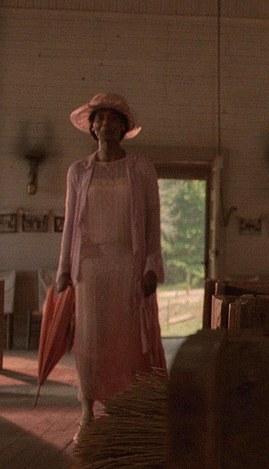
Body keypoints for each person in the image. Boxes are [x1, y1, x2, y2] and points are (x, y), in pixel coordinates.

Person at [55, 92, 166, 439]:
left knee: (129, 340)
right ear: (92, 127)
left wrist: (152, 265)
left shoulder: (141, 168)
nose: (105, 124)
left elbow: (152, 221)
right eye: (99, 118)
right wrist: (63, 270)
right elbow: (70, 225)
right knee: (90, 339)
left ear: (123, 127)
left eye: (113, 118)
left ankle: (127, 408)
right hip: (89, 269)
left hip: (128, 265)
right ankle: (87, 411)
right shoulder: (78, 171)